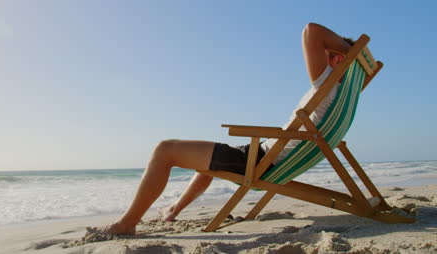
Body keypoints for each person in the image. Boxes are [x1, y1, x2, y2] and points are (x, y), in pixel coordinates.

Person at [104, 23, 354, 235]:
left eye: (327, 54)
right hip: (265, 156)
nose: (320, 57)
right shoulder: (341, 97)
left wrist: (346, 51)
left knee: (164, 150)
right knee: (207, 163)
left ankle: (127, 223)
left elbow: (311, 31)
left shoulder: (326, 88)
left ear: (339, 59)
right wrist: (349, 56)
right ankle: (172, 210)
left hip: (259, 161)